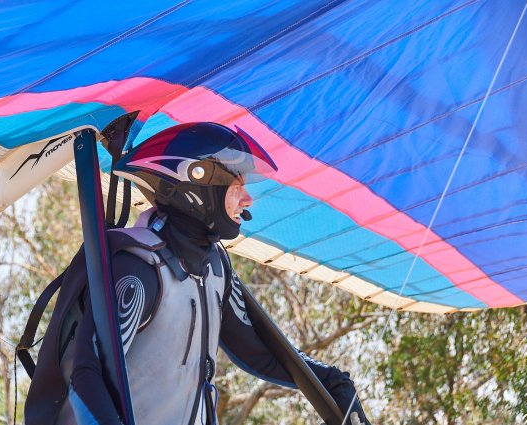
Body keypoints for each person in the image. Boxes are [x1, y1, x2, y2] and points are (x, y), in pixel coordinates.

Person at [68, 122, 371, 425]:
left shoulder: (215, 267)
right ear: (197, 188)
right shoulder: (140, 268)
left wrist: (330, 381)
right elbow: (85, 375)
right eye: (236, 188)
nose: (248, 200)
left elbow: (259, 351)